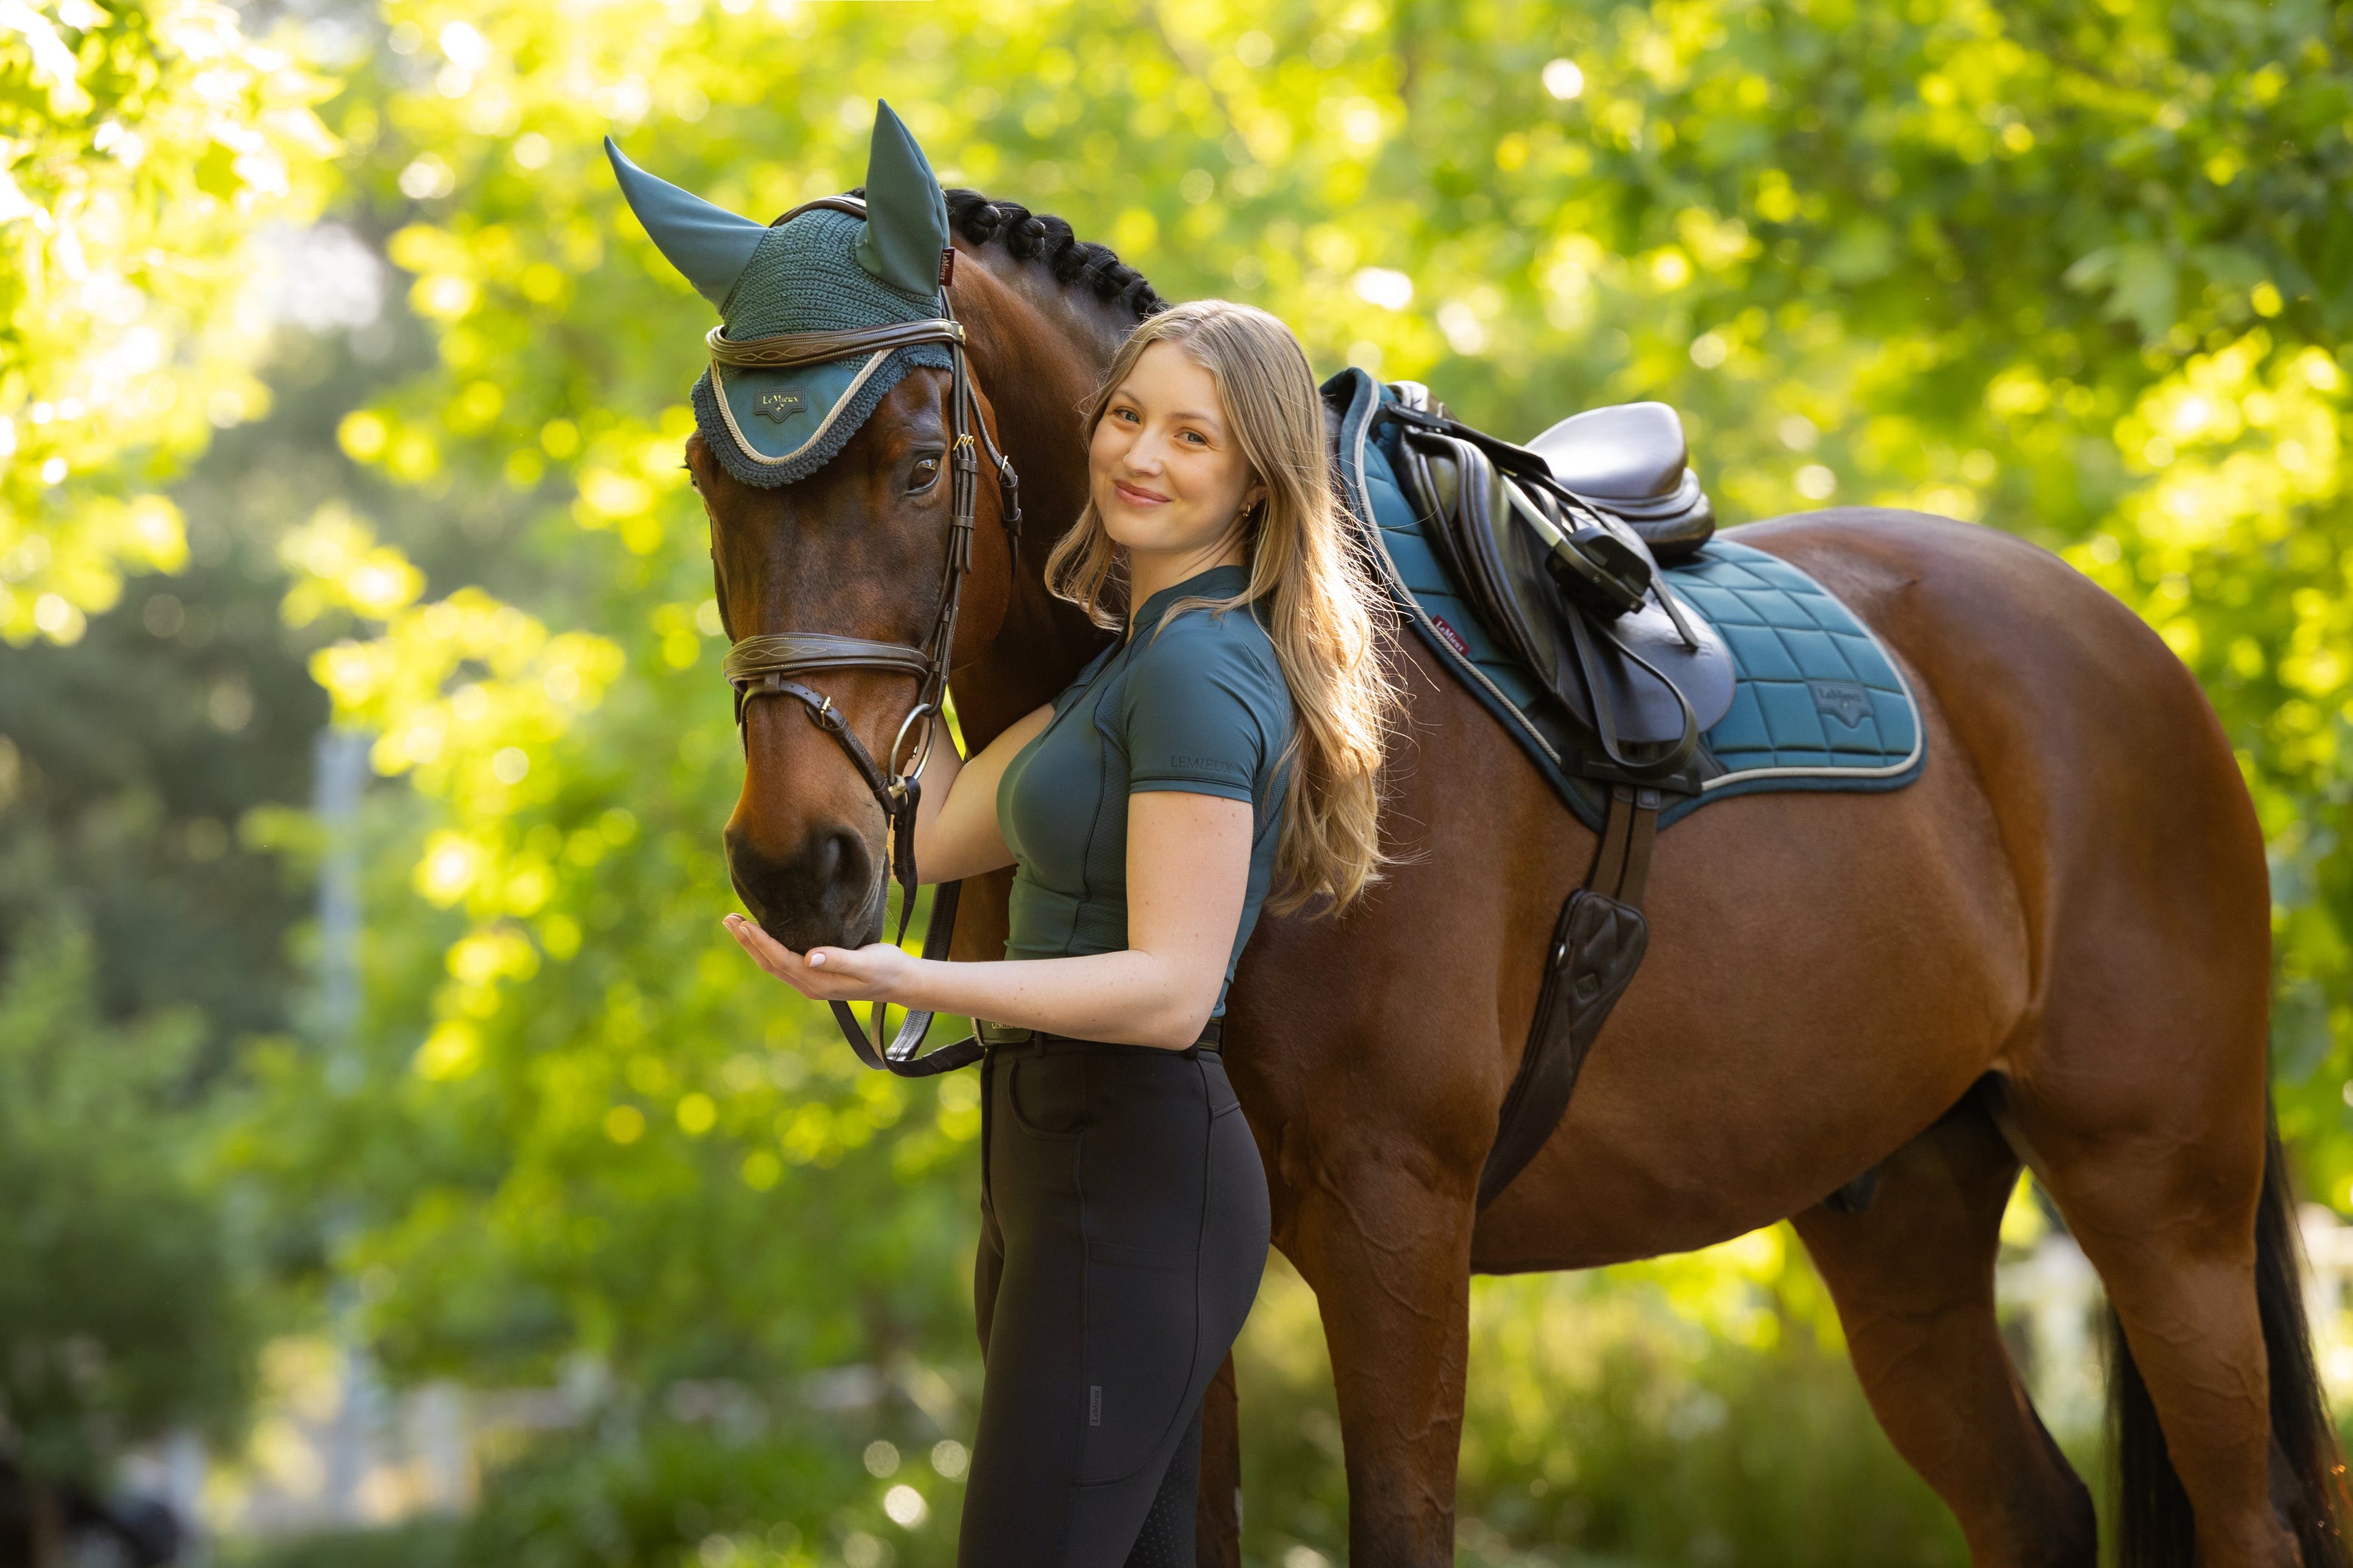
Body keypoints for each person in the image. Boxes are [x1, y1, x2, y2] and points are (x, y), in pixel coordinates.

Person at [724, 298, 1400, 1565]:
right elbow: (923, 831)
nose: (1142, 456)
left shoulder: (1200, 673)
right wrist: (810, 669)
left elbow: (1173, 987)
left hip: (1133, 1184)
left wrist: (913, 973)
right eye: (1128, 417)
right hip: (1060, 1170)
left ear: (1256, 478)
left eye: (1191, 437)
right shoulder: (1129, 663)